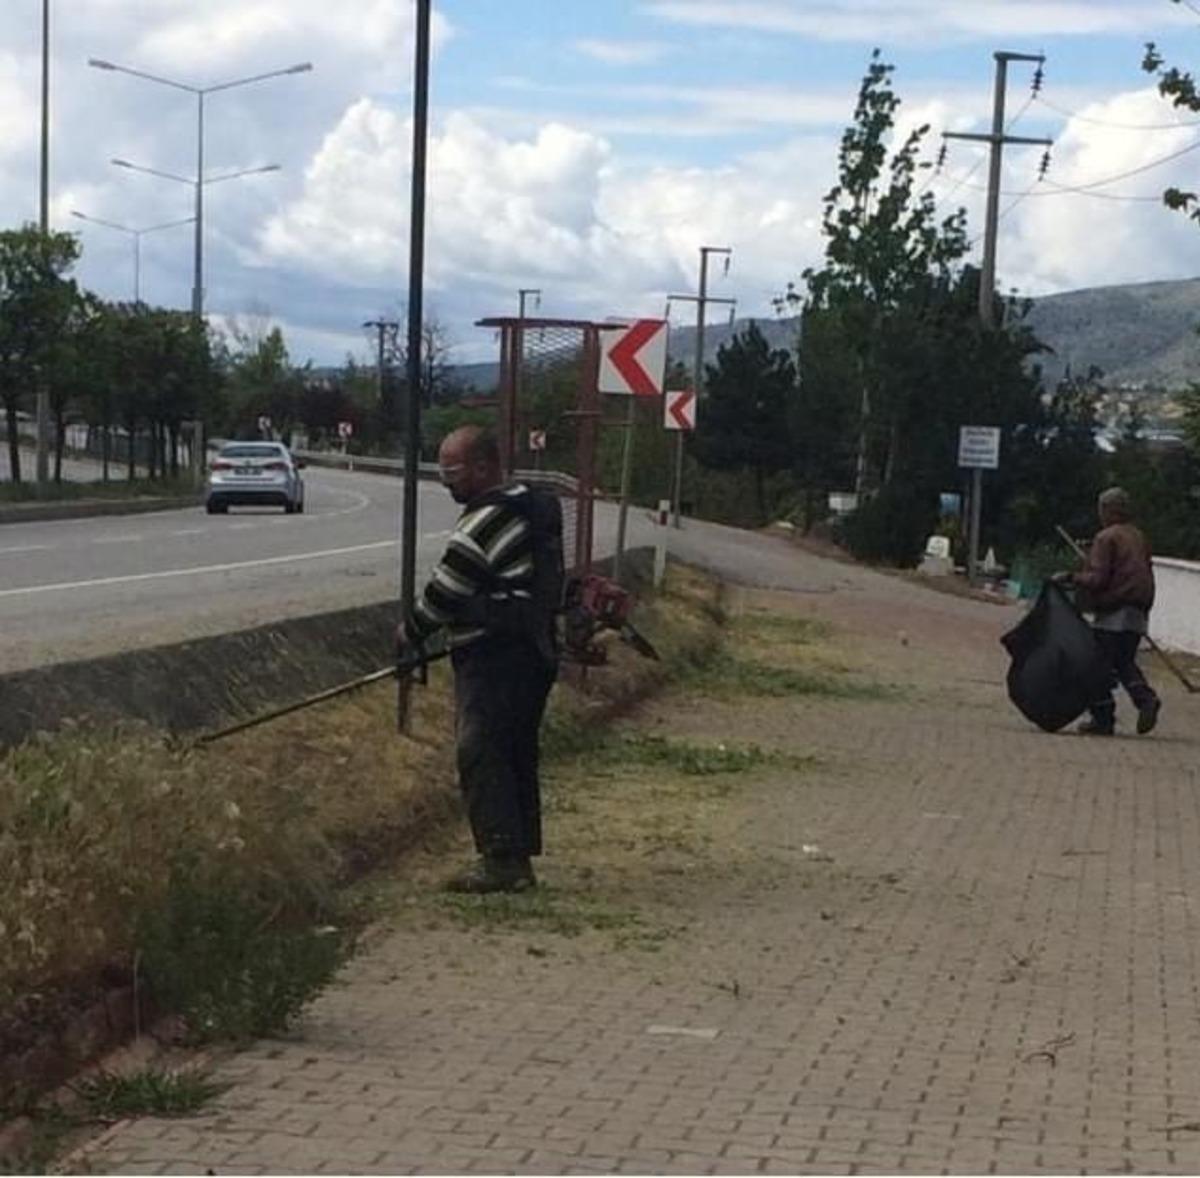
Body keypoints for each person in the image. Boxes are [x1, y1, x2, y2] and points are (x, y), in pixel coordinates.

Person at [398, 426, 561, 893]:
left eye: (453, 470)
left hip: (495, 655)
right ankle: (517, 856)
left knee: (481, 749)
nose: (446, 481)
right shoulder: (529, 505)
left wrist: (410, 632)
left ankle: (501, 860)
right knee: (515, 752)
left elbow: (446, 589)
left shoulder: (487, 517)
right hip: (532, 649)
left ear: (485, 467)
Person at [1056, 487, 1160, 736]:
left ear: (1108, 510)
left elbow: (1098, 578)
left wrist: (1071, 577)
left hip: (1114, 611)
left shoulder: (1106, 538)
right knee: (1124, 662)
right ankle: (1146, 700)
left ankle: (1103, 718)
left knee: (1094, 665)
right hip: (1138, 611)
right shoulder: (1138, 536)